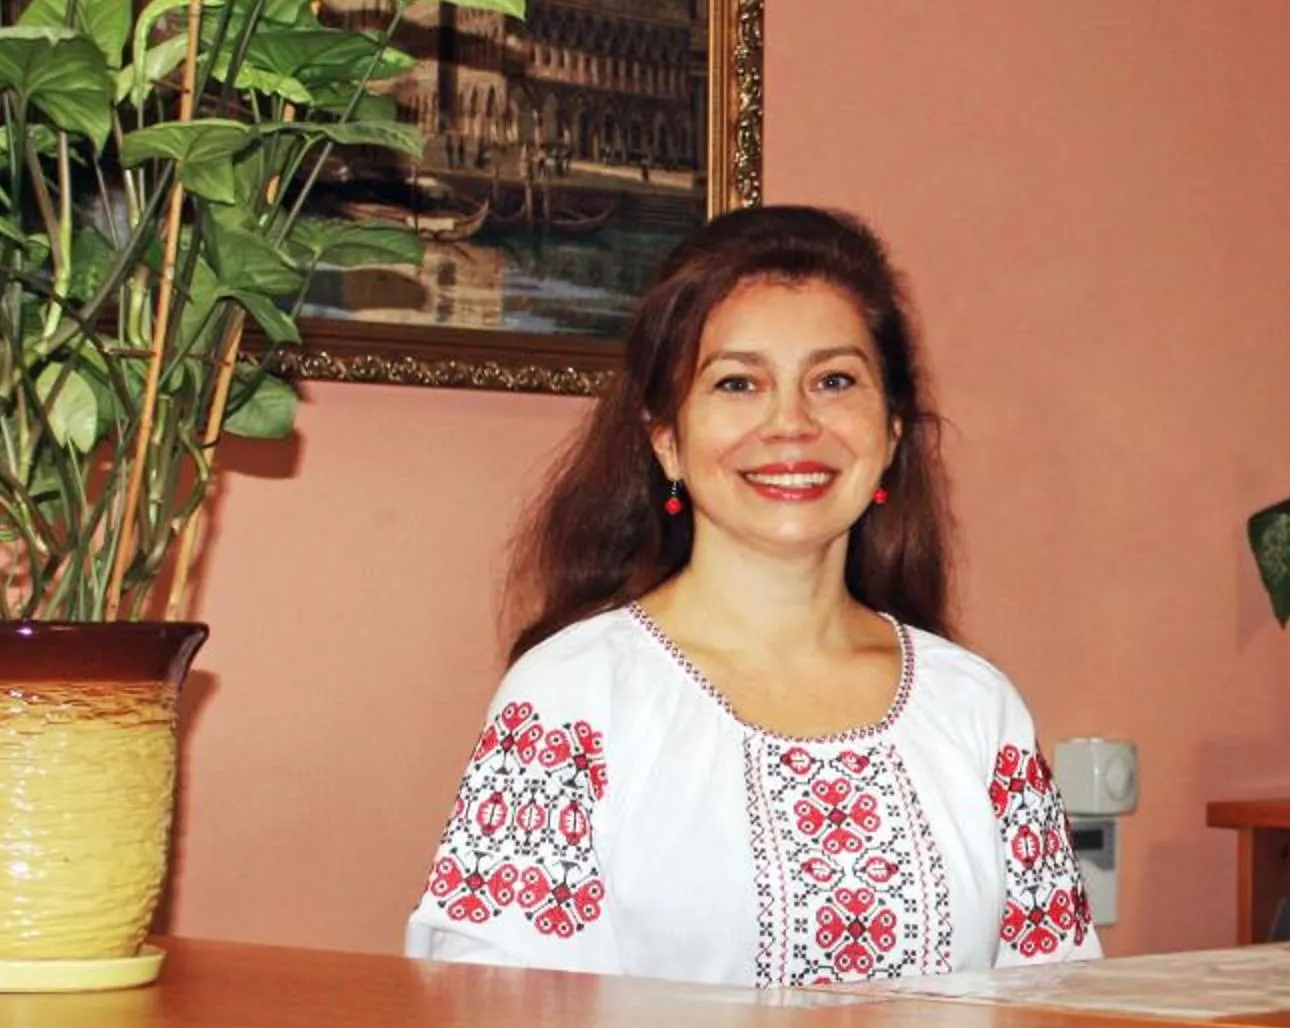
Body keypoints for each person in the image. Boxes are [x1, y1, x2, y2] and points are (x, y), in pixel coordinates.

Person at [405, 204, 1101, 986]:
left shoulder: (977, 709)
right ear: (666, 438)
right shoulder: (572, 700)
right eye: (738, 383)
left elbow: (1056, 1016)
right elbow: (494, 1025)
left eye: (834, 381)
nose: (791, 424)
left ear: (893, 430)